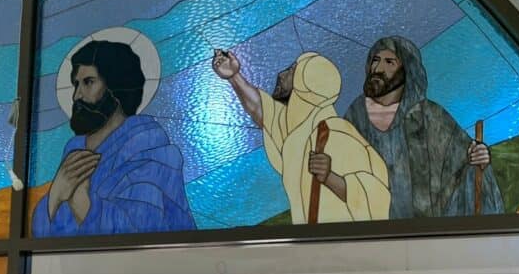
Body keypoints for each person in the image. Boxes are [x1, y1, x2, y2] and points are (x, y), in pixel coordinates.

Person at [32, 39, 196, 236]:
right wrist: (55, 196)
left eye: (89, 82)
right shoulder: (73, 152)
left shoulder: (151, 150)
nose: (77, 95)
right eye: (76, 84)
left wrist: (79, 199)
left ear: (116, 86)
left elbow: (142, 232)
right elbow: (42, 242)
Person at [212, 48, 390, 223]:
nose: (281, 74)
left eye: (291, 71)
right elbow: (261, 109)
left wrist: (330, 177)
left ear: (303, 86)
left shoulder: (337, 134)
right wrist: (234, 76)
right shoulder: (298, 135)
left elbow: (377, 197)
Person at [344, 35, 504, 219]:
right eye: (375, 60)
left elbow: (462, 164)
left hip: (421, 235)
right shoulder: (355, 115)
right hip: (365, 232)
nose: (378, 69)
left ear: (407, 70)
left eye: (390, 62)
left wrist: (479, 160)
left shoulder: (431, 116)